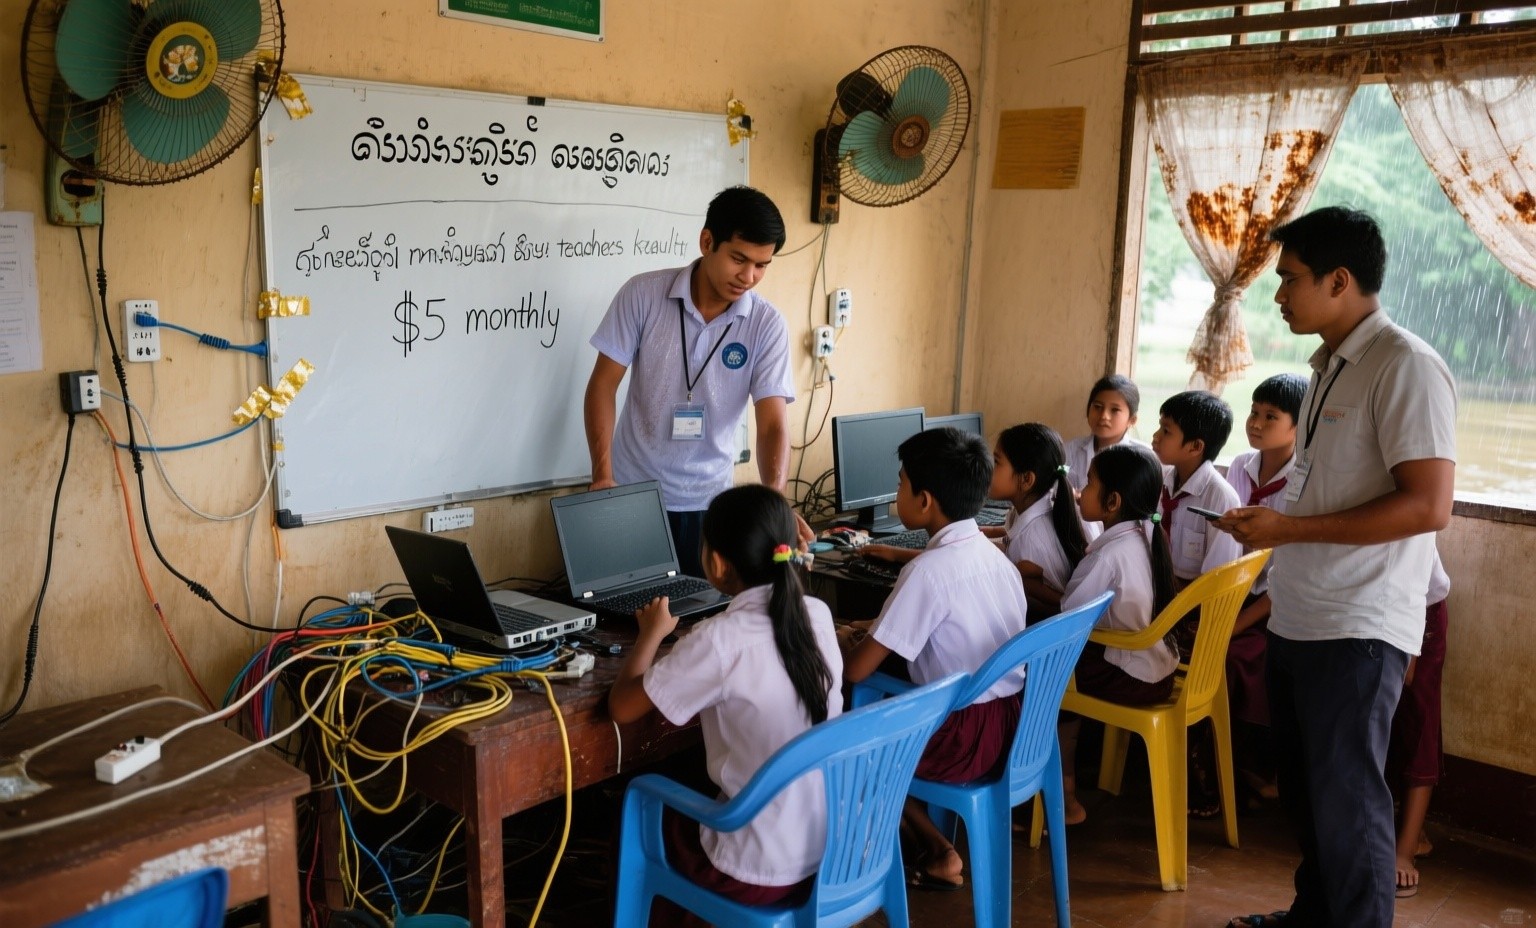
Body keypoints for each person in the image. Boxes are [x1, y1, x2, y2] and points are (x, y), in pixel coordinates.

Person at [1215, 207, 1456, 928]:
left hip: (1357, 624)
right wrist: (1271, 527)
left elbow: (1428, 505)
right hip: (1303, 613)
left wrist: (1289, 528)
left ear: (1340, 280)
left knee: (1349, 805)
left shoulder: (1405, 365)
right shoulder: (1325, 366)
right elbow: (1327, 485)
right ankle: (1313, 916)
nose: (1279, 295)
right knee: (1311, 798)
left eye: (1289, 279)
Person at [608, 484, 842, 926]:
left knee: (638, 807)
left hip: (758, 868)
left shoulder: (719, 640)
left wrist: (651, 634)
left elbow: (622, 707)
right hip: (827, 849)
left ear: (716, 564)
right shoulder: (818, 615)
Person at [838, 427, 1029, 890]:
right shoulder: (995, 558)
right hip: (1011, 726)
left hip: (959, 739)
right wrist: (871, 628)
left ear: (924, 501)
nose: (896, 493)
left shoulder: (927, 571)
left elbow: (855, 670)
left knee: (849, 739)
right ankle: (933, 844)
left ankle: (920, 849)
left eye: (901, 483)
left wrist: (841, 639)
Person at [584, 185, 807, 577]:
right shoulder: (643, 295)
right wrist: (603, 474)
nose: (749, 276)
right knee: (624, 620)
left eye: (762, 264)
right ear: (707, 242)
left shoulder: (766, 324)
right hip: (634, 495)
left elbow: (772, 422)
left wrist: (774, 502)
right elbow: (603, 385)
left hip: (712, 504)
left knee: (701, 616)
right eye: (739, 259)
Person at [1056, 444, 1179, 825]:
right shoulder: (1144, 536)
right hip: (1156, 669)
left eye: (1089, 483)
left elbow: (1067, 620)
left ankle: (1064, 797)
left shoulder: (1109, 554)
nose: (1079, 491)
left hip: (1131, 677)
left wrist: (1029, 586)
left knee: (1046, 683)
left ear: (1112, 501)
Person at [861, 423, 1089, 619]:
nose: (988, 469)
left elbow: (959, 563)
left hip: (1036, 637)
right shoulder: (1036, 509)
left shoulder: (1032, 540)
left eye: (997, 462)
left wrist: (900, 555)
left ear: (1026, 480)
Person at [1221, 372, 1307, 806]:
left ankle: (1244, 768)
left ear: (1299, 425)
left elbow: (1286, 573)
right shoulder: (1239, 466)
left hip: (1275, 603)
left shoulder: (1302, 483)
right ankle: (1214, 764)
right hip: (1235, 590)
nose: (1255, 423)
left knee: (1242, 658)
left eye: (1271, 416)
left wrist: (1236, 626)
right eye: (1254, 412)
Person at [1388, 548, 1450, 900]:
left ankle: (1405, 849)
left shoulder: (1410, 513)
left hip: (1418, 607)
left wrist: (1408, 656)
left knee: (1418, 721)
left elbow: (1413, 585)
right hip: (1369, 608)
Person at [1151, 389, 1244, 599]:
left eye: (1166, 431)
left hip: (1193, 602)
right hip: (1156, 589)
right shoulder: (1161, 480)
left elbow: (1219, 577)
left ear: (1195, 447)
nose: (1156, 436)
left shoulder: (1220, 498)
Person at [1064, 374, 1146, 495]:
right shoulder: (1069, 450)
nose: (1104, 416)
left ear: (1132, 420)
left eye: (1114, 410)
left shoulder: (1142, 459)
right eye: (1097, 407)